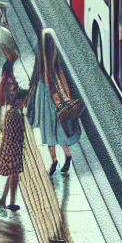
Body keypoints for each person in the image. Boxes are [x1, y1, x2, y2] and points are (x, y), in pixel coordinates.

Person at [32, 30, 81, 177]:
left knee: (47, 128)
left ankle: (54, 161)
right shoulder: (55, 59)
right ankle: (67, 155)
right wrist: (67, 96)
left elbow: (40, 77)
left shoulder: (41, 59)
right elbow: (62, 77)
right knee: (60, 126)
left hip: (44, 96)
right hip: (57, 98)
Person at [0, 80, 27, 212]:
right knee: (14, 176)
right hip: (13, 149)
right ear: (19, 101)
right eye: (24, 100)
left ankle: (3, 199)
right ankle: (11, 202)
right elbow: (15, 135)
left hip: (11, 148)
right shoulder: (15, 115)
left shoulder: (12, 113)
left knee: (12, 175)